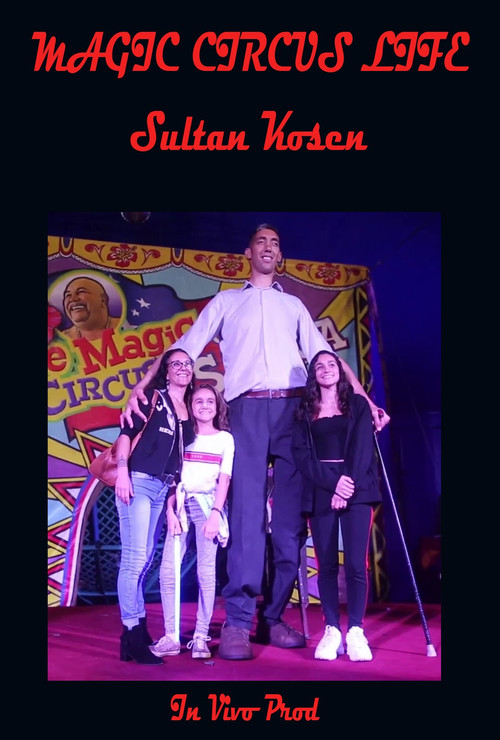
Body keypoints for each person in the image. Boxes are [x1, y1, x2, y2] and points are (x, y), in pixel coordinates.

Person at [121, 223, 390, 661]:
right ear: (248, 253)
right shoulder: (227, 302)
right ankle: (239, 621)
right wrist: (143, 385)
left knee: (288, 524)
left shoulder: (293, 306)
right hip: (245, 410)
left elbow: (326, 358)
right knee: (246, 519)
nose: (268, 248)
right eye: (261, 242)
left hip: (293, 412)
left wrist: (367, 401)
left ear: (280, 257)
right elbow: (184, 349)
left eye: (275, 244)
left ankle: (273, 616)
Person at [292, 351, 382, 661]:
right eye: (319, 366)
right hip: (322, 490)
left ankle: (355, 630)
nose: (326, 369)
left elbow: (362, 448)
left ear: (340, 371)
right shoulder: (304, 411)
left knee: (356, 563)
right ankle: (332, 629)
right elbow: (302, 456)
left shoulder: (357, 404)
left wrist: (346, 485)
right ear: (313, 375)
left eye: (332, 364)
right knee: (327, 564)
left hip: (357, 487)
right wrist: (334, 485)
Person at [114, 348, 195, 664]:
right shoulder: (151, 398)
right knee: (134, 559)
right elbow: (126, 434)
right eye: (176, 363)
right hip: (138, 481)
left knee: (144, 559)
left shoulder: (188, 407)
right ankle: (132, 632)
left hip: (163, 488)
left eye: (187, 363)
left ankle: (134, 632)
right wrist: (123, 472)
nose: (183, 368)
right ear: (166, 371)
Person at [150, 383, 234, 660]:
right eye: (199, 401)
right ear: (190, 406)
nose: (205, 405)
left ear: (217, 406)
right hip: (180, 506)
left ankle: (200, 636)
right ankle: (171, 636)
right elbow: (173, 477)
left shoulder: (225, 439)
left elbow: (224, 480)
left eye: (210, 401)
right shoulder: (183, 435)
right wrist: (170, 510)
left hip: (207, 506)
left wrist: (215, 514)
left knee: (205, 572)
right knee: (168, 571)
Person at [61, 275, 121, 339]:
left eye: (81, 291)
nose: (73, 299)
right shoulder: (62, 338)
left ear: (103, 300)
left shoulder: (124, 326)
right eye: (68, 295)